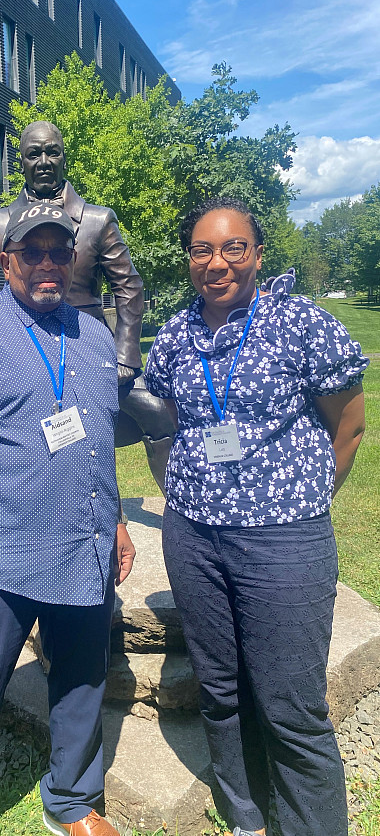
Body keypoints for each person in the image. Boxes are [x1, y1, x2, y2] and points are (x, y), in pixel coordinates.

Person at [144, 197, 368, 836]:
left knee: (290, 704)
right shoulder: (177, 332)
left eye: (233, 248)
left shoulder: (301, 324)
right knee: (220, 689)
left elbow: (348, 425)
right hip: (193, 536)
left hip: (284, 539)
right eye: (202, 250)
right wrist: (184, 491)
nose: (216, 263)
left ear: (258, 255)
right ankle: (245, 816)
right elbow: (167, 427)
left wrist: (303, 499)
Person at [0, 201, 136, 836]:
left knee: (81, 679)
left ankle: (73, 800)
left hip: (82, 550)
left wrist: (114, 521)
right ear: (6, 259)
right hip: (0, 555)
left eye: (59, 252)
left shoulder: (92, 336)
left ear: (73, 260)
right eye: (32, 252)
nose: (47, 263)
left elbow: (93, 442)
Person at [0, 119, 175, 490]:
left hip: (90, 350)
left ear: (65, 157)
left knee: (159, 413)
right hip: (24, 351)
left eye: (52, 151)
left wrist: (125, 353)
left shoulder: (98, 221)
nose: (44, 161)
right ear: (20, 161)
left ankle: (181, 510)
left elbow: (129, 287)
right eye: (33, 153)